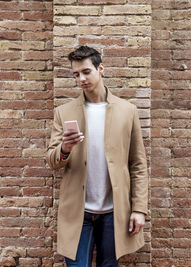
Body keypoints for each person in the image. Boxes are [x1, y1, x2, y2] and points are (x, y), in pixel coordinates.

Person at [46, 46, 148, 267]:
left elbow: (138, 164)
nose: (81, 79)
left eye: (86, 72)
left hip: (114, 211)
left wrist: (139, 209)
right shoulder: (64, 112)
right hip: (78, 212)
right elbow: (52, 161)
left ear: (100, 69)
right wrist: (65, 148)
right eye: (76, 74)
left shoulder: (127, 110)